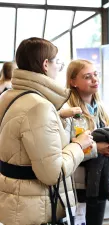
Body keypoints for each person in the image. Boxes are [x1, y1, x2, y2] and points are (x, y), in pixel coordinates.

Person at [0, 37, 93, 225]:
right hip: (35, 209)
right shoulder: (39, 107)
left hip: (15, 202)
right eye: (56, 62)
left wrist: (57, 117)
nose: (58, 68)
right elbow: (52, 173)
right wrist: (78, 145)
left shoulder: (8, 96)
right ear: (45, 64)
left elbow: (18, 140)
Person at [62, 59, 109, 225]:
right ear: (73, 82)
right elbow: (66, 148)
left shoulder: (102, 108)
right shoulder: (67, 110)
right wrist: (97, 149)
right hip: (77, 184)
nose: (95, 79)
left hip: (101, 180)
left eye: (96, 74)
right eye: (88, 76)